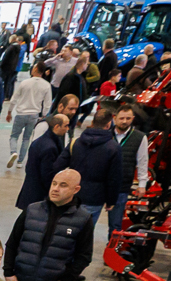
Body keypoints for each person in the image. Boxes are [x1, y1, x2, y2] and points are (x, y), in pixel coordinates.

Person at [67, 107, 125, 235]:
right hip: (95, 197)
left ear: (93, 122)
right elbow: (114, 177)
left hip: (73, 194)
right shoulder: (113, 148)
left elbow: (59, 164)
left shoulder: (76, 142)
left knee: (68, 229)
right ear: (109, 124)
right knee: (84, 233)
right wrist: (111, 200)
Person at [106, 100, 150, 235]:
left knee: (115, 224)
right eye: (121, 118)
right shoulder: (105, 134)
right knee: (89, 219)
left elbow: (142, 161)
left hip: (122, 185)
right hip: (101, 183)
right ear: (114, 118)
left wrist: (142, 184)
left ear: (133, 119)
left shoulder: (140, 137)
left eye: (128, 118)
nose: (124, 121)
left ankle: (112, 246)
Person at [15, 111, 70, 214]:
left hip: (30, 191)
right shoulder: (50, 148)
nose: (68, 129)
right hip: (39, 195)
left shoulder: (40, 141)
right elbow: (47, 175)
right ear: (57, 126)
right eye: (66, 126)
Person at [3, 63, 51, 173]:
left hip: (21, 113)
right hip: (34, 115)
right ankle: (20, 161)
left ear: (35, 69)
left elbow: (14, 98)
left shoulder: (25, 83)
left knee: (14, 136)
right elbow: (47, 103)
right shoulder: (46, 85)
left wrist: (9, 111)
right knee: (26, 138)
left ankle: (13, 152)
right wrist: (44, 115)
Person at [0, 35, 25, 101]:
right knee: (10, 82)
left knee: (6, 82)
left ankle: (5, 95)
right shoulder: (18, 48)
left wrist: (1, 65)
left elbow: (5, 58)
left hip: (6, 67)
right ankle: (8, 95)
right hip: (13, 67)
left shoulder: (11, 48)